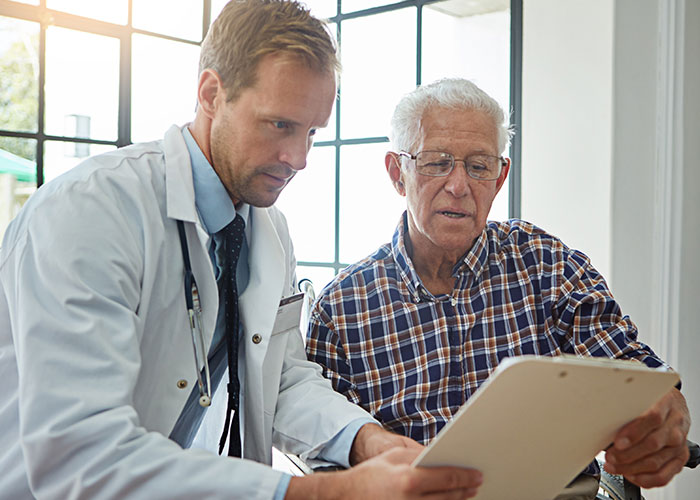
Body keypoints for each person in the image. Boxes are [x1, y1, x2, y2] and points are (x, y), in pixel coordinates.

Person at [0, 2, 485, 499]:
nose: (298, 159)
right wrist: (326, 493)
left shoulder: (267, 229)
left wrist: (367, 442)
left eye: (312, 131)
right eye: (280, 125)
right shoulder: (90, 213)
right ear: (212, 94)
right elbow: (81, 455)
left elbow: (283, 378)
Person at [306, 77, 691, 498]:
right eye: (437, 162)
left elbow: (633, 372)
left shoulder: (546, 264)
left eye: (478, 166)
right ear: (398, 173)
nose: (458, 185)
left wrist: (663, 411)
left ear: (500, 176)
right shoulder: (342, 307)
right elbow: (326, 457)